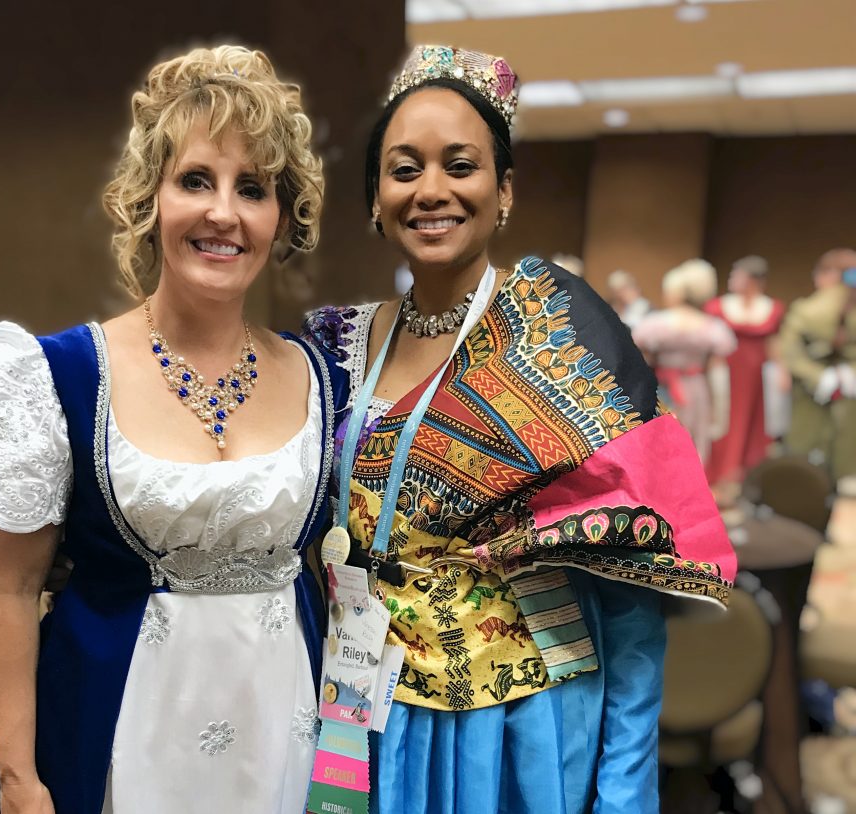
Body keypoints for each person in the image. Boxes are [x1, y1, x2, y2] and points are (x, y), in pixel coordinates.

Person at [304, 45, 735, 814]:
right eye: (405, 170)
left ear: (503, 190)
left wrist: (626, 789)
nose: (431, 191)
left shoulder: (562, 334)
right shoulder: (340, 347)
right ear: (374, 197)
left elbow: (631, 585)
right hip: (366, 708)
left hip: (518, 724)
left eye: (460, 165)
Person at [0, 46, 333, 814]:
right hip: (120, 729)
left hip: (285, 725)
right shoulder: (54, 374)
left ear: (278, 218)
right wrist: (20, 780)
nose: (223, 212)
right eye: (196, 180)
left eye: (251, 189)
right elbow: (9, 590)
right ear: (150, 198)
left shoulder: (323, 375)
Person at [632, 259, 737, 464]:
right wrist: (721, 413)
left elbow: (641, 364)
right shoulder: (712, 328)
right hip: (696, 390)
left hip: (661, 389)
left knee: (657, 444)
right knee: (693, 445)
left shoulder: (654, 325)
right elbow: (718, 375)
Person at [703, 255, 786, 485]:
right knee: (724, 420)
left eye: (737, 275)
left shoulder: (772, 308)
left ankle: (745, 478)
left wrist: (781, 370)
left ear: (752, 280)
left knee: (754, 424)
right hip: (725, 373)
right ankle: (719, 477)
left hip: (757, 376)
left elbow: (773, 343)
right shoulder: (719, 306)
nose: (732, 279)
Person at [780, 248, 856, 486]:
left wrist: (821, 377)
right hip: (849, 400)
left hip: (809, 398)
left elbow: (790, 355)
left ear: (829, 275)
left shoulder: (806, 310)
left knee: (803, 464)